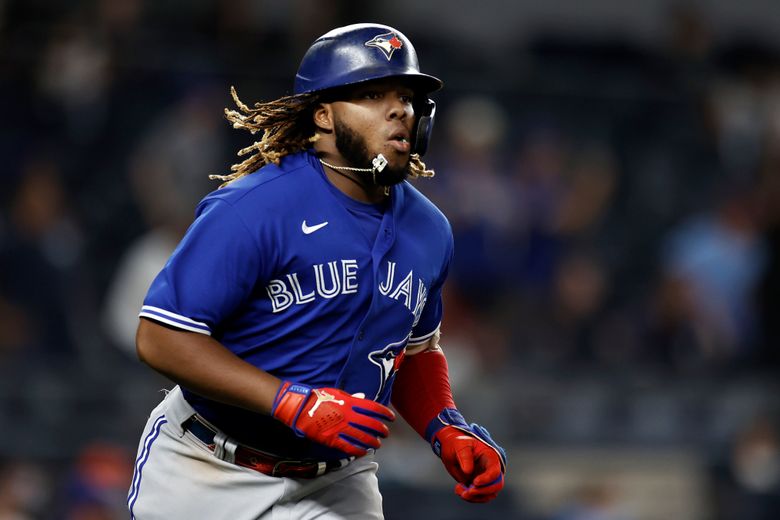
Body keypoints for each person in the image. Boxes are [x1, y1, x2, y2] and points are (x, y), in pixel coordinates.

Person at [127, 23, 507, 519]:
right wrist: (290, 402)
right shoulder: (253, 208)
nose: (399, 110)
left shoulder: (430, 230)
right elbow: (160, 338)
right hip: (209, 468)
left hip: (336, 481)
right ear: (322, 115)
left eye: (407, 97)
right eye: (372, 93)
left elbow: (415, 352)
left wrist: (444, 424)